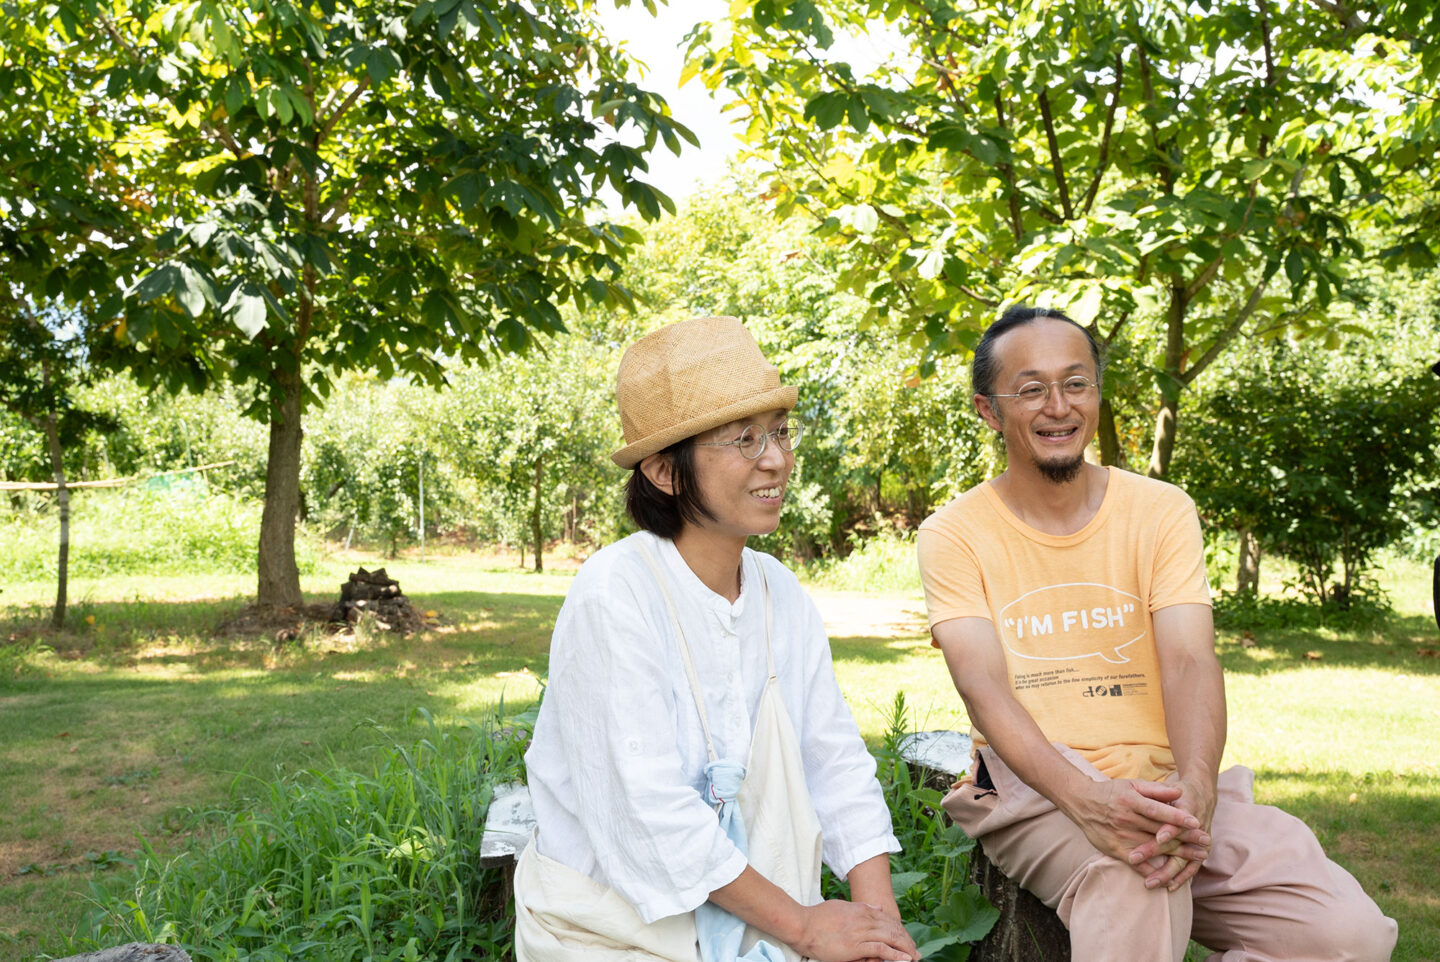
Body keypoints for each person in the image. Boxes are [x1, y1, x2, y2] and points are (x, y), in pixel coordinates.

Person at [916, 305, 1398, 962]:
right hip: (1025, 782)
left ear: (1096, 392)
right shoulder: (953, 533)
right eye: (1031, 389)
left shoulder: (1161, 510)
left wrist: (1197, 790)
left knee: (1348, 935)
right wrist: (1088, 801)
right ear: (989, 411)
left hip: (1166, 783)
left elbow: (1191, 663)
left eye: (1076, 383)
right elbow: (984, 689)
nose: (1059, 406)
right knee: (1136, 880)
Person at [514, 316, 919, 962]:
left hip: (757, 924)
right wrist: (810, 929)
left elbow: (835, 764)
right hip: (611, 932)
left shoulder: (779, 595)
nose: (777, 459)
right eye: (743, 439)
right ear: (665, 473)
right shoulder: (615, 595)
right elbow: (649, 813)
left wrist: (880, 928)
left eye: (780, 432)